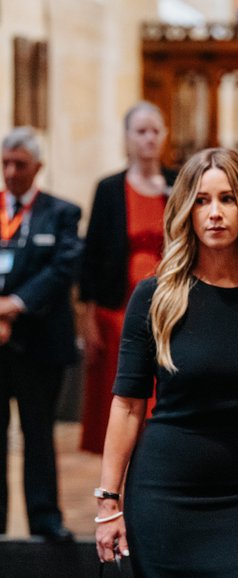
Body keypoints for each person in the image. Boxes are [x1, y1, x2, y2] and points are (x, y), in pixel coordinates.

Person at [94, 148, 238, 577]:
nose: (215, 213)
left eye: (227, 199)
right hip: (166, 496)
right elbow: (127, 404)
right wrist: (108, 503)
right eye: (201, 200)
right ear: (185, 211)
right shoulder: (154, 298)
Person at [79, 101, 177, 453]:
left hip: (168, 305)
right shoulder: (109, 188)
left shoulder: (176, 183)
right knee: (119, 396)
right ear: (127, 138)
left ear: (165, 135)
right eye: (141, 131)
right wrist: (88, 319)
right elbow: (91, 257)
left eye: (155, 131)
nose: (149, 139)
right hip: (117, 309)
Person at [0, 127, 81, 541]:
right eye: (6, 164)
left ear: (38, 168)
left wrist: (12, 306)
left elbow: (62, 269)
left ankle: (44, 518)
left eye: (20, 165)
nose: (12, 172)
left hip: (39, 344)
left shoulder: (61, 212)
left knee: (38, 434)